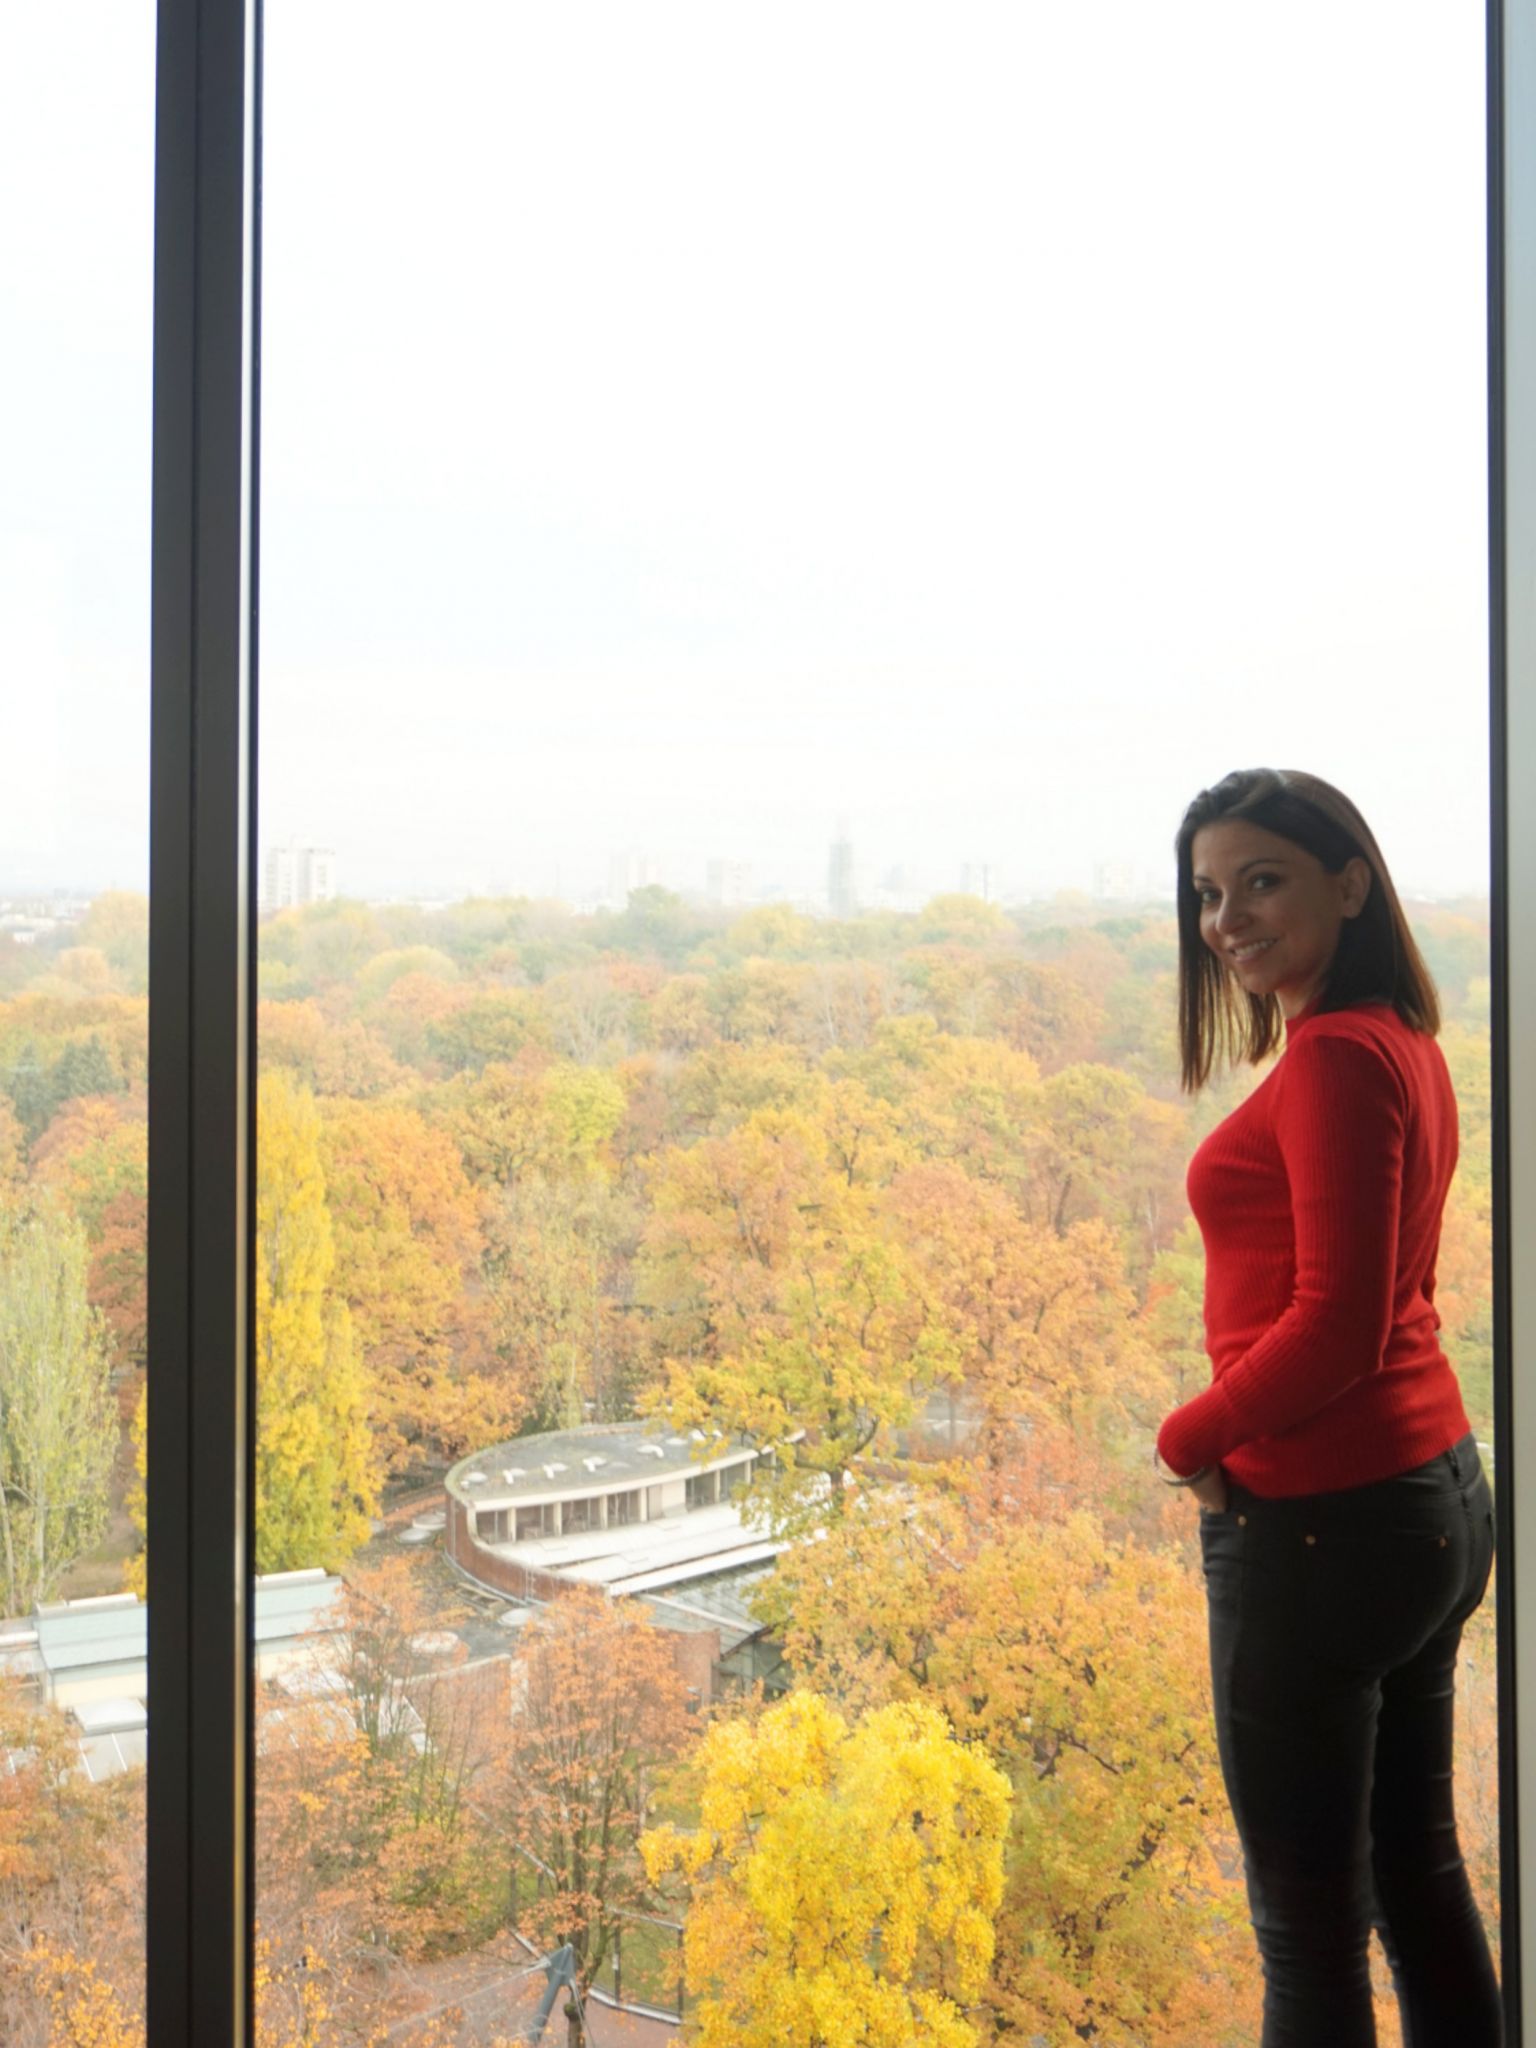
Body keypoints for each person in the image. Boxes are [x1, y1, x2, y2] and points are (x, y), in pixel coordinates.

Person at [1153, 766, 1500, 2047]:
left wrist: (1187, 1436)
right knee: (1416, 1873)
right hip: (1425, 1495)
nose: (1228, 918)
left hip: (1325, 1524)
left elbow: (1339, 1321)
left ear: (1351, 885)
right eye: (1208, 893)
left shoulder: (1340, 1058)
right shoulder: (1395, 1041)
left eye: (1264, 880)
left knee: (1308, 1934)